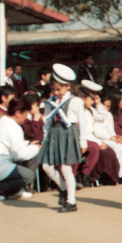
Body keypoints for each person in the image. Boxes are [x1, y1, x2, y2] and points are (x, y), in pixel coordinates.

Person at [38, 64, 89, 213]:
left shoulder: (76, 101)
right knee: (46, 166)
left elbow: (81, 122)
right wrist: (45, 138)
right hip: (54, 134)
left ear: (68, 86)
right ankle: (64, 188)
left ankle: (71, 202)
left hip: (68, 133)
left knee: (66, 169)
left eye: (58, 89)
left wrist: (83, 141)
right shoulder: (50, 101)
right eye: (53, 89)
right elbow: (47, 121)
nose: (55, 92)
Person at [0, 96, 40, 201]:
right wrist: (36, 148)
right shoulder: (13, 127)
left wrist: (29, 145)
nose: (27, 118)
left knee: (19, 168)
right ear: (18, 113)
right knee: (28, 176)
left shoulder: (2, 121)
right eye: (26, 114)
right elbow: (19, 155)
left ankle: (14, 191)